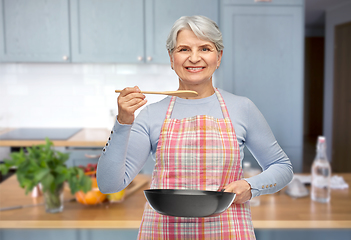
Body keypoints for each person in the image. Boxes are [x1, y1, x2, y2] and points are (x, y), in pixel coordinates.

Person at [97, 15, 293, 239]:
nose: (194, 58)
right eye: (183, 49)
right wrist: (123, 122)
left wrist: (251, 186)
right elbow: (109, 184)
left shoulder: (242, 108)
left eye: (205, 48)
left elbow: (282, 167)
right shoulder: (151, 115)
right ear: (172, 58)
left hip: (227, 230)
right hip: (163, 232)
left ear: (218, 57)